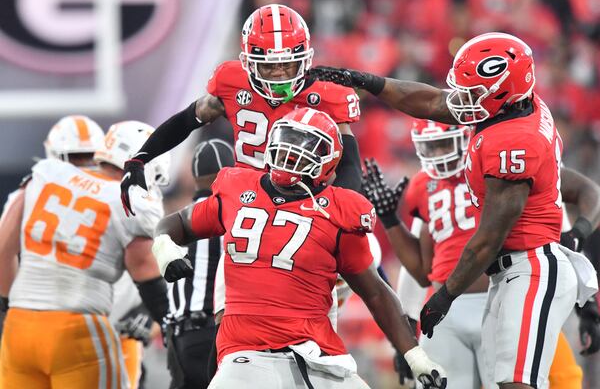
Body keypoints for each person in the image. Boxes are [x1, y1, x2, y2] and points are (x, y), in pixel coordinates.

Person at [308, 32, 600, 389]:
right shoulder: (518, 104)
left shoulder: (513, 143)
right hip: (511, 272)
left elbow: (488, 239)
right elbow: (433, 102)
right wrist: (369, 82)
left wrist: (445, 296)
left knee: (518, 384)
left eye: (473, 91)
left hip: (532, 268)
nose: (463, 100)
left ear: (502, 92)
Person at [152, 108, 448, 389]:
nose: (291, 151)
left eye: (305, 145)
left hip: (317, 351)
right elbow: (176, 224)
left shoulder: (340, 210)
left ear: (329, 160)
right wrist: (164, 247)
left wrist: (415, 355)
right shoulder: (237, 188)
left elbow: (375, 291)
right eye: (288, 141)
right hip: (247, 349)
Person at [363, 119, 600, 388]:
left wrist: (587, 305)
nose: (439, 155)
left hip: (503, 294)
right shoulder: (423, 186)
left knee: (539, 380)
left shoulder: (499, 161)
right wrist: (389, 219)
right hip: (446, 308)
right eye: (431, 147)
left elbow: (559, 215)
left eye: (443, 145)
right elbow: (422, 270)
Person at [120, 4, 364, 217]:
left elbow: (350, 164)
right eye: (269, 67)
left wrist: (336, 208)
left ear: (304, 60)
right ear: (248, 63)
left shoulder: (327, 94)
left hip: (304, 204)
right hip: (246, 201)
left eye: (288, 64)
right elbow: (187, 120)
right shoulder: (232, 82)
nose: (279, 74)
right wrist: (140, 158)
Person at [0, 120, 170, 389]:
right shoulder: (129, 201)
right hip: (78, 326)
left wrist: (6, 309)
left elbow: (3, 248)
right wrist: (171, 323)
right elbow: (145, 271)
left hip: (20, 324)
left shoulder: (43, 175)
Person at [164, 138, 235, 389]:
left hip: (178, 337)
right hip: (213, 334)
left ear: (195, 178)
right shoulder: (232, 215)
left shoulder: (176, 220)